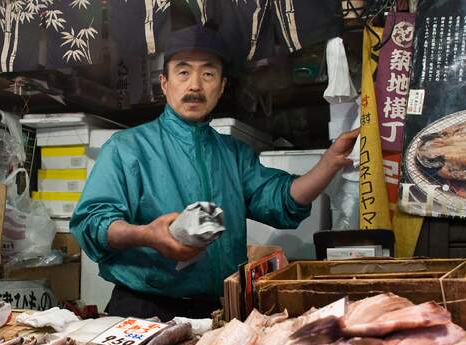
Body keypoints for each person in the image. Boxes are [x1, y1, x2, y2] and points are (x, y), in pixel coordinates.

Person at [70, 25, 358, 321]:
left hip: (218, 311)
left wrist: (329, 163)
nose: (195, 85)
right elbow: (91, 224)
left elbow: (281, 199)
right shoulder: (127, 148)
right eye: (183, 73)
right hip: (144, 310)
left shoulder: (234, 154)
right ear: (164, 83)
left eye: (208, 74)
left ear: (221, 87)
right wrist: (146, 234)